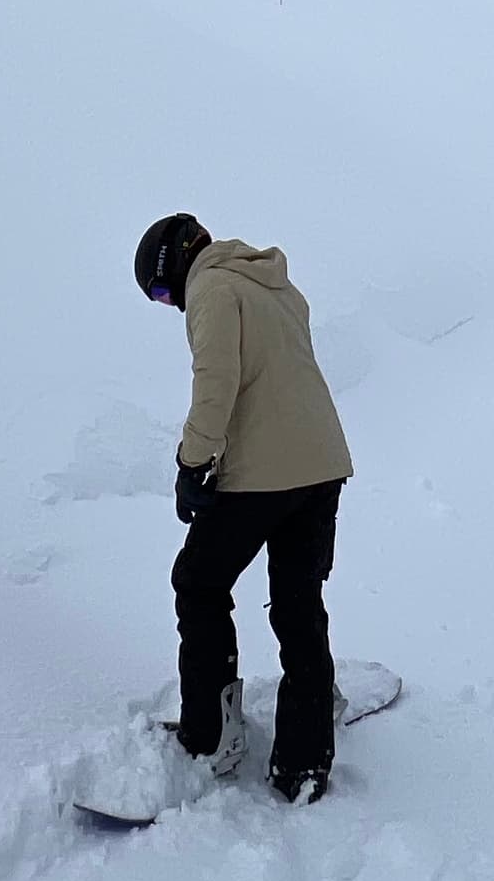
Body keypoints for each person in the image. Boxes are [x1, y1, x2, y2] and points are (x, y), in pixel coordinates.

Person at [133, 213, 356, 801]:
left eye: (162, 294)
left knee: (198, 584)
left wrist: (191, 464)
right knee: (298, 602)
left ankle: (213, 735)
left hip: (263, 475)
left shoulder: (211, 286)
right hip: (323, 466)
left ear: (174, 265)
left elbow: (216, 383)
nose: (170, 306)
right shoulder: (275, 284)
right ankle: (305, 758)